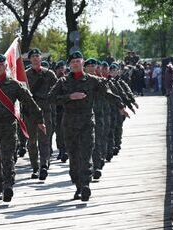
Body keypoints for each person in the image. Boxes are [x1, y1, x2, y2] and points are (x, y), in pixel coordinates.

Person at [48, 51, 129, 202]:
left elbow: (108, 93)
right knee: (74, 156)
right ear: (69, 65)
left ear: (82, 63)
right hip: (69, 124)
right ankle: (78, 185)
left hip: (86, 123)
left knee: (86, 154)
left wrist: (120, 106)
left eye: (78, 61)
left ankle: (85, 185)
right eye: (73, 62)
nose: (75, 64)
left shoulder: (92, 81)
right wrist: (69, 97)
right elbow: (50, 98)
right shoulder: (63, 82)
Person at [0, 54, 45, 202]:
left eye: (1, 64)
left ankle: (8, 186)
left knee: (7, 158)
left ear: (6, 66)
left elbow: (29, 101)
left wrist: (39, 120)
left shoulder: (14, 84)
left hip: (8, 126)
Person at [26, 48, 58, 180]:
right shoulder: (25, 75)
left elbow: (57, 89)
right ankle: (35, 167)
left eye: (37, 56)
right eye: (32, 56)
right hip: (30, 113)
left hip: (45, 111)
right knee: (32, 141)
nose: (35, 58)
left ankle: (44, 165)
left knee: (45, 140)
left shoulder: (49, 74)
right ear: (30, 59)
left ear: (41, 58)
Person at [53, 60, 68, 162]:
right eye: (59, 68)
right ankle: (61, 150)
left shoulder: (68, 80)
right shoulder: (53, 80)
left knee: (66, 131)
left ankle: (65, 151)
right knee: (59, 132)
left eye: (62, 68)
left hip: (67, 109)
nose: (60, 70)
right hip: (56, 110)